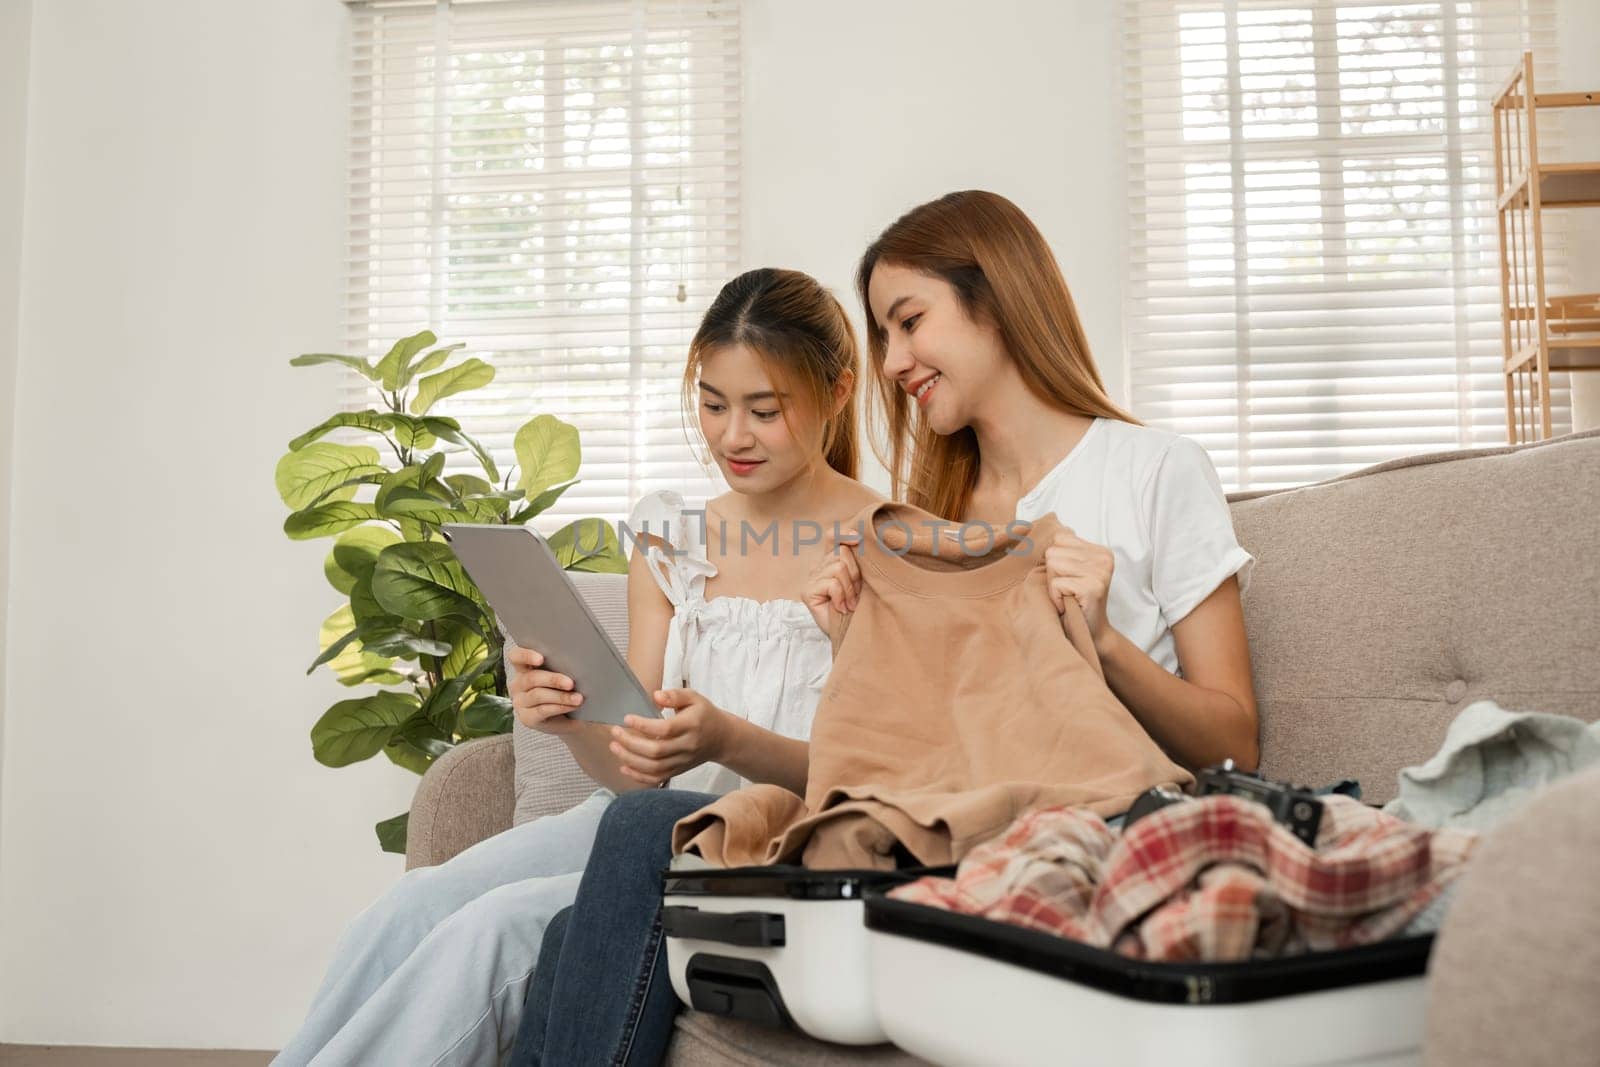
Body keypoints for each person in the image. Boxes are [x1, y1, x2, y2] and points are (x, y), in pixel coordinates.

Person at [512, 190, 1260, 1066]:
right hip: (926, 819)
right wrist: (848, 643)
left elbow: (1235, 742)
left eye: (910, 323)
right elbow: (916, 729)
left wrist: (1103, 643)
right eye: (883, 335)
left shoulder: (1154, 470)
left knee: (639, 840)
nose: (895, 360)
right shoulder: (921, 515)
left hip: (1063, 819)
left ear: (1000, 300)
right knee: (571, 937)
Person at [273, 267, 877, 1067]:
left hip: (749, 844)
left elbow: (873, 777)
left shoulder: (883, 543)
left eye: (765, 410)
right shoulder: (670, 536)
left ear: (837, 393)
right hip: (627, 822)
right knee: (417, 903)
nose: (733, 436)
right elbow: (631, 773)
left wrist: (725, 737)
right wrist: (563, 714)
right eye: (712, 402)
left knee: (495, 933)